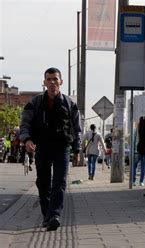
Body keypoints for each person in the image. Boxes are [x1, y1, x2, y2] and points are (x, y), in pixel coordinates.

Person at [19, 67, 82, 231]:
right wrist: (27, 140)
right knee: (43, 183)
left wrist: (77, 150)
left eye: (55, 79)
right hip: (42, 147)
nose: (52, 82)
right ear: (44, 82)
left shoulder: (70, 104)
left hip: (62, 148)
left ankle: (54, 215)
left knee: (59, 182)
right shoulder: (35, 103)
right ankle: (47, 215)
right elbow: (25, 124)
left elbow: (77, 128)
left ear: (61, 82)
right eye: (49, 79)